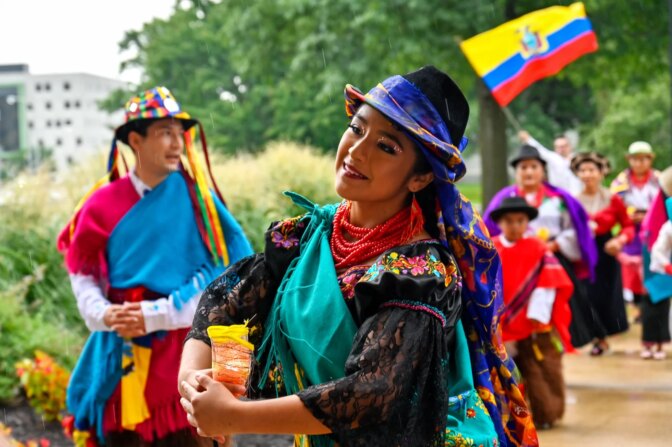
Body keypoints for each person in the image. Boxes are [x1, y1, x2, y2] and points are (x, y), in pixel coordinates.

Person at [178, 66, 538, 447]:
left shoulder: (421, 273)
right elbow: (229, 303)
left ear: (420, 178)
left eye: (386, 147)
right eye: (357, 128)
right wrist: (207, 383)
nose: (357, 151)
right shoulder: (307, 236)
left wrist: (233, 415)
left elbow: (373, 394)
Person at [56, 86, 253, 446]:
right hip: (119, 347)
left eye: (180, 134)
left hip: (184, 351)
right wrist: (102, 312)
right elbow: (83, 272)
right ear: (135, 139)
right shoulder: (101, 203)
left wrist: (159, 313)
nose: (177, 144)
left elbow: (229, 274)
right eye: (165, 133)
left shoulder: (199, 203)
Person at [483, 144, 597, 349]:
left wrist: (556, 244)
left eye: (533, 167)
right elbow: (488, 232)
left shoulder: (559, 199)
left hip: (550, 260)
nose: (528, 172)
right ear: (516, 172)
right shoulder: (504, 199)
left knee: (554, 308)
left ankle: (549, 359)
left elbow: (575, 229)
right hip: (513, 264)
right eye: (523, 167)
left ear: (542, 170)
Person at [491, 196, 573, 429]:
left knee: (540, 370)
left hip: (532, 324)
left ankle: (546, 413)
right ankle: (505, 418)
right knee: (499, 376)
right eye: (509, 221)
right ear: (500, 223)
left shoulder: (538, 248)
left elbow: (550, 281)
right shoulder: (491, 247)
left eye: (520, 220)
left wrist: (538, 315)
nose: (515, 226)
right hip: (498, 325)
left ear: (527, 222)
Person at [571, 152, 634, 355]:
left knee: (604, 295)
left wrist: (620, 240)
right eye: (583, 170)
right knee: (585, 294)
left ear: (601, 173)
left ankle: (602, 337)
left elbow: (627, 226)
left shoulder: (612, 199)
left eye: (591, 170)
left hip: (606, 251)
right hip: (582, 253)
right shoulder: (573, 201)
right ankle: (594, 335)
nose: (587, 174)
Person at [610, 141, 660, 307]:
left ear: (650, 160)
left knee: (652, 263)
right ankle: (636, 303)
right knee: (631, 267)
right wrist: (630, 216)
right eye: (636, 159)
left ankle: (652, 300)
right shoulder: (620, 182)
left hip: (654, 228)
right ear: (629, 160)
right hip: (630, 228)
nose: (639, 163)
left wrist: (648, 216)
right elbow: (614, 206)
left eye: (643, 159)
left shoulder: (659, 180)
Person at [641, 195, 672, 360]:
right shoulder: (668, 228)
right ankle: (650, 343)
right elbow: (657, 250)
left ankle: (660, 343)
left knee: (664, 310)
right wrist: (667, 266)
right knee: (655, 306)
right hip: (660, 271)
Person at [518, 130, 582, 195]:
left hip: (578, 195)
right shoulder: (553, 158)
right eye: (559, 147)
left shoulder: (578, 159)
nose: (562, 149)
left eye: (564, 146)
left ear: (569, 146)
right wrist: (528, 139)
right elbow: (539, 149)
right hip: (559, 196)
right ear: (555, 148)